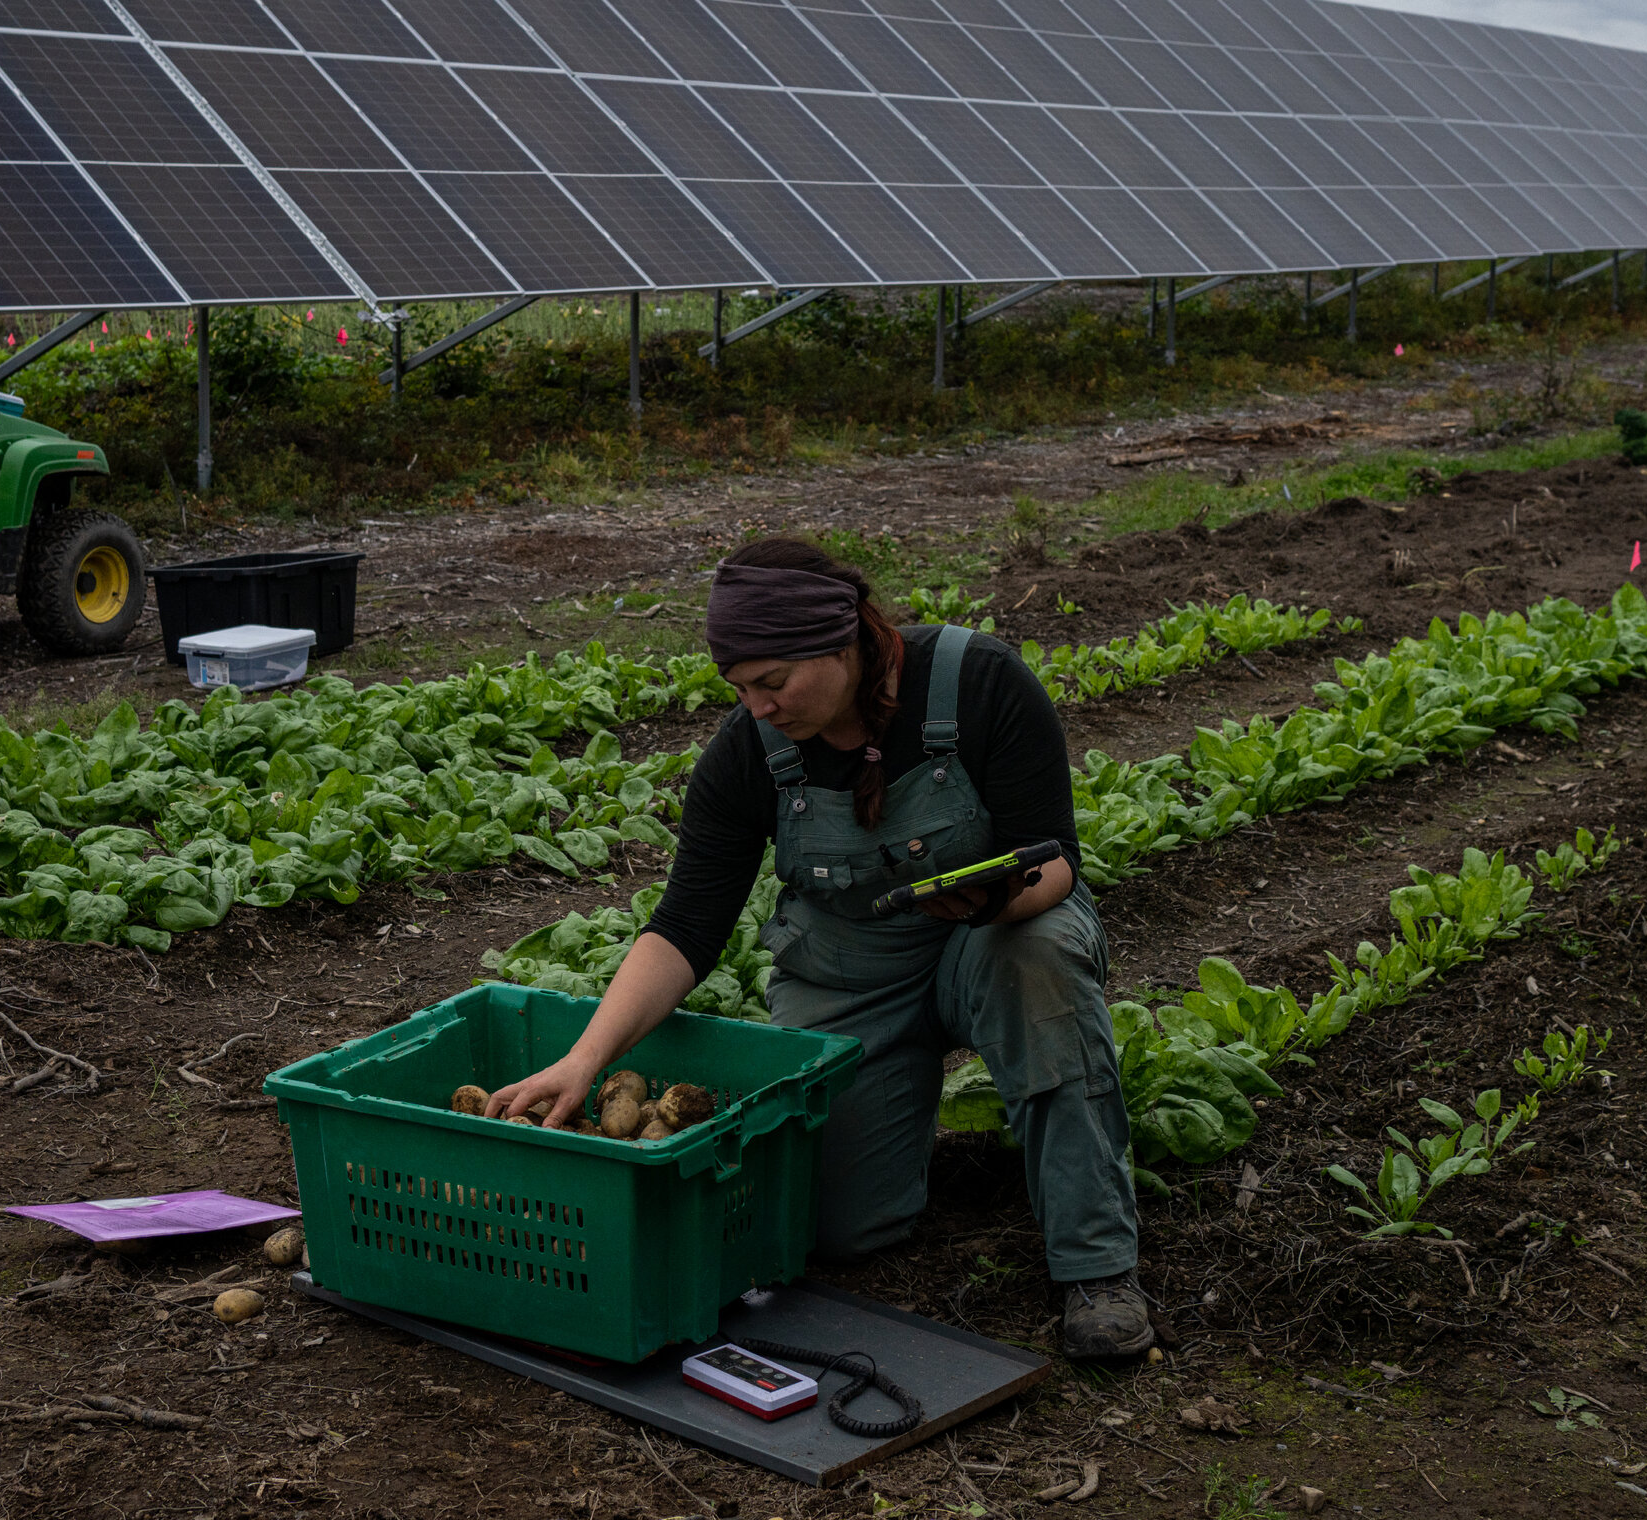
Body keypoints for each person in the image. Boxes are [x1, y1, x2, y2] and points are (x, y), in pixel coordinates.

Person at [486, 537, 1149, 1358]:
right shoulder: (748, 753)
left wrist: (996, 899)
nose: (758, 707)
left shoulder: (979, 682)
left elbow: (1054, 859)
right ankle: (908, 1132)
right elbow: (685, 927)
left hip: (993, 938)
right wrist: (584, 1060)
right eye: (739, 688)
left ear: (844, 643)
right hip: (850, 976)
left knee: (1038, 959)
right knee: (838, 1231)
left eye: (772, 682)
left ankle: (1097, 1265)